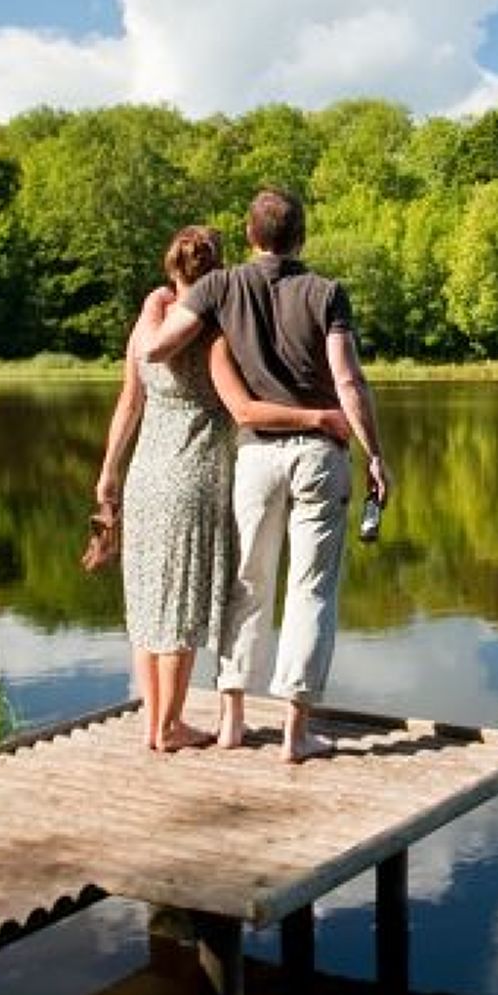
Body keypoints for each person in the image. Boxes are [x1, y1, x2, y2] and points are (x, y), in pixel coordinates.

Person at [138, 187, 389, 763]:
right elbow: (348, 381)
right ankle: (295, 733)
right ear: (300, 237)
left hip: (254, 457)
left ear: (250, 237)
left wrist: (157, 306)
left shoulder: (221, 286)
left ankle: (231, 721)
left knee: (246, 584)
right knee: (310, 591)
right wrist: (375, 454)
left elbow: (156, 350)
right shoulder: (327, 293)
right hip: (319, 456)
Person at [93, 226, 348, 753]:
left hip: (144, 475)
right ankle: (171, 726)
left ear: (170, 270)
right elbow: (243, 410)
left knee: (147, 605)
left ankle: (152, 726)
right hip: (195, 476)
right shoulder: (213, 338)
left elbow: (128, 403)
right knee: (182, 607)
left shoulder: (148, 328)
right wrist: (320, 416)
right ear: (218, 274)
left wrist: (109, 471)